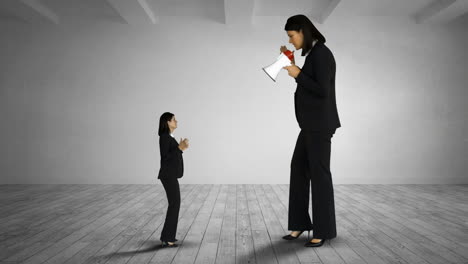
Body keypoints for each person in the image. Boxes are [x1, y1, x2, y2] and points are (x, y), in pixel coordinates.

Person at [280, 14, 341, 247]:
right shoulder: (314, 54)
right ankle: (299, 224)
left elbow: (322, 90)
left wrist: (297, 75)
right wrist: (293, 64)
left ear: (303, 32)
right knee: (298, 169)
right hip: (310, 125)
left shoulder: (323, 54)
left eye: (292, 36)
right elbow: (311, 82)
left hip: (320, 126)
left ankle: (322, 230)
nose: (291, 40)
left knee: (320, 176)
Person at [157, 112, 189, 248]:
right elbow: (166, 157)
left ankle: (167, 236)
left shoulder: (169, 137)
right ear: (167, 122)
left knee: (174, 204)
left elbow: (172, 154)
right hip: (167, 175)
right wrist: (179, 148)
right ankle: (167, 237)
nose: (176, 121)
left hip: (170, 175)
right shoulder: (164, 137)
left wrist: (180, 148)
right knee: (174, 204)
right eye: (174, 119)